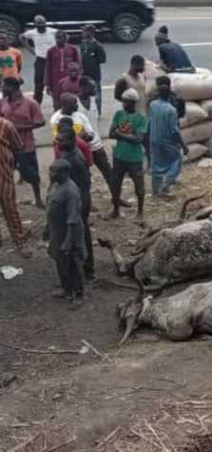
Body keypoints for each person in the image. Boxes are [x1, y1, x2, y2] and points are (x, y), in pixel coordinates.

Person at [55, 122, 94, 283]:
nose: (59, 143)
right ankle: (85, 270)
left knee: (80, 236)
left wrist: (78, 208)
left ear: (73, 140)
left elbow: (85, 186)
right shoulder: (68, 153)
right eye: (58, 140)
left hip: (79, 202)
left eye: (62, 141)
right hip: (76, 200)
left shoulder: (74, 159)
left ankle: (87, 271)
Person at [52, 90, 111, 197]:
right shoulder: (56, 120)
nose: (76, 106)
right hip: (71, 155)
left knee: (107, 173)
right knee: (77, 179)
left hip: (91, 149)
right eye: (73, 104)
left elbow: (90, 135)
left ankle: (115, 197)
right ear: (64, 105)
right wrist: (81, 136)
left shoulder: (80, 116)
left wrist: (80, 137)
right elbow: (60, 141)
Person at [45, 160, 87, 308]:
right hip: (56, 231)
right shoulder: (56, 186)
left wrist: (69, 241)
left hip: (69, 233)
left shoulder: (71, 191)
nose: (50, 174)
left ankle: (79, 295)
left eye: (54, 171)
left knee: (73, 264)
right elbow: (50, 208)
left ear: (64, 173)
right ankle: (66, 289)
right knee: (60, 261)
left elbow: (73, 219)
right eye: (51, 170)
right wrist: (47, 229)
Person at [0, 77, 45, 208]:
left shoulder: (30, 103)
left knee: (32, 173)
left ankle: (38, 199)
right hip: (6, 146)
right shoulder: (3, 102)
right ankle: (5, 203)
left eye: (4, 86)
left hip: (25, 146)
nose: (2, 89)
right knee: (4, 175)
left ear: (13, 88)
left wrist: (17, 128)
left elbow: (40, 122)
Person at [108, 88, 147, 220]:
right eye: (123, 102)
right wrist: (128, 135)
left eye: (126, 102)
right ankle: (115, 210)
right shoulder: (119, 114)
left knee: (139, 186)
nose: (123, 104)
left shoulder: (141, 118)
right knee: (116, 184)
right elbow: (111, 134)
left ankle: (140, 212)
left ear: (132, 103)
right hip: (119, 156)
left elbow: (138, 139)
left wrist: (120, 133)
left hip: (134, 158)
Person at [149, 77, 189, 198]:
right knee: (175, 163)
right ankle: (165, 188)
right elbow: (174, 130)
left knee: (156, 164)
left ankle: (155, 190)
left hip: (154, 139)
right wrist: (183, 145)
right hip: (167, 141)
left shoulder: (153, 104)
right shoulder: (172, 109)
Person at [0, 115, 28, 257]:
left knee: (11, 210)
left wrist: (19, 169)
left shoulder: (6, 125)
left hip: (4, 175)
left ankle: (20, 242)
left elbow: (17, 148)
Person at [22, 15, 57, 105]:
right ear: (35, 24)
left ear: (45, 23)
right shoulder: (32, 33)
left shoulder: (53, 32)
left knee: (55, 84)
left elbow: (64, 37)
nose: (41, 25)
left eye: (43, 23)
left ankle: (57, 105)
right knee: (38, 85)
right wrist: (30, 49)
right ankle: (36, 106)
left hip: (53, 61)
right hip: (40, 60)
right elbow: (21, 37)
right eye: (39, 24)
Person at [46, 30, 80, 108]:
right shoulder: (51, 51)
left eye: (60, 38)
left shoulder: (72, 50)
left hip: (69, 81)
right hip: (55, 81)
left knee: (70, 100)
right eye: (57, 38)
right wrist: (48, 84)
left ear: (65, 39)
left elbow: (78, 65)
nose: (58, 40)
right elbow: (48, 67)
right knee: (56, 102)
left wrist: (78, 79)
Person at [78, 25, 107, 113]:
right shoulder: (83, 44)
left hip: (94, 74)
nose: (83, 33)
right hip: (84, 73)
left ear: (90, 33)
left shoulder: (97, 46)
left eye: (85, 31)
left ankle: (97, 111)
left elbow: (102, 59)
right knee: (84, 92)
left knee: (96, 93)